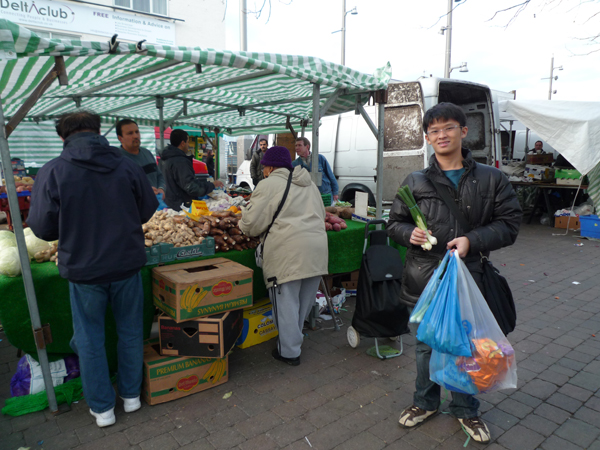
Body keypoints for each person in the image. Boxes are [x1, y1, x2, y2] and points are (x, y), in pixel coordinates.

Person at [387, 102, 522, 444]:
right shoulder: (415, 180)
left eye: (448, 128)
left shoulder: (491, 179)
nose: (441, 135)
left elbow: (509, 224)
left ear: (464, 131)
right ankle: (425, 402)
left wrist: (471, 241)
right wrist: (409, 234)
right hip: (424, 279)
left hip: (469, 279)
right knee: (425, 347)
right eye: (434, 130)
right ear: (428, 138)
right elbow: (394, 223)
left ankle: (466, 408)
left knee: (467, 347)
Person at [27, 110, 158, 428]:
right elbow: (147, 209)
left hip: (84, 268)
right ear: (100, 131)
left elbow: (43, 229)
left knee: (89, 338)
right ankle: (131, 398)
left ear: (63, 136)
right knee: (130, 332)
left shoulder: (53, 170)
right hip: (126, 262)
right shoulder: (126, 162)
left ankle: (103, 409)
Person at [239, 146, 328, 366]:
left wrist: (243, 217)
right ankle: (293, 343)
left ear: (269, 167)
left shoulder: (268, 185)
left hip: (288, 252)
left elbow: (250, 225)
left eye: (264, 168)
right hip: (316, 251)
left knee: (286, 305)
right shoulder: (310, 184)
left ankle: (289, 352)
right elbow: (323, 215)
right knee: (302, 303)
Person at [161, 129, 224, 211]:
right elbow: (191, 187)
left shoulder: (165, 158)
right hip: (181, 207)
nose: (188, 144)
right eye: (187, 141)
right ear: (182, 143)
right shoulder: (180, 161)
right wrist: (212, 185)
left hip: (170, 204)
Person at [116, 119, 165, 197]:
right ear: (120, 138)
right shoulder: (116, 160)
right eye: (130, 133)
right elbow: (118, 189)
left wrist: (161, 188)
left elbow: (159, 175)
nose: (135, 136)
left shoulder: (147, 153)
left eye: (137, 132)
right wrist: (144, 191)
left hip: (157, 205)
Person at [292, 137, 339, 205]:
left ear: (307, 147)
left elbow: (331, 175)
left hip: (325, 195)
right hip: (308, 197)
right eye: (296, 145)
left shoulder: (320, 158)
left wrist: (335, 192)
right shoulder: (294, 164)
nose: (297, 148)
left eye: (299, 145)